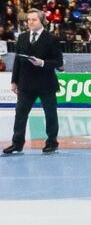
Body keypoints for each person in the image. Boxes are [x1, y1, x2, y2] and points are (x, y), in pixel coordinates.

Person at [3, 9, 63, 155]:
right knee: (20, 114)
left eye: (34, 19)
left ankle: (52, 142)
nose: (30, 22)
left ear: (41, 21)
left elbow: (59, 62)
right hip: (25, 83)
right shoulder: (22, 38)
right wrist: (14, 81)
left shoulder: (52, 39)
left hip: (46, 83)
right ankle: (17, 144)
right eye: (28, 19)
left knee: (50, 114)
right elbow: (17, 60)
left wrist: (42, 63)